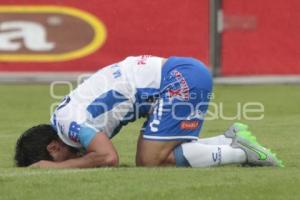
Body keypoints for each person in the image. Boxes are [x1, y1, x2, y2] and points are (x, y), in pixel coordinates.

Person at [14, 55, 283, 168]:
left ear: (53, 149)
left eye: (53, 162)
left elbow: (108, 157)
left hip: (178, 79)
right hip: (181, 74)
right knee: (160, 156)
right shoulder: (63, 118)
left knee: (150, 160)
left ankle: (240, 152)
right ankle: (228, 139)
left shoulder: (69, 124)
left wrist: (55, 168)